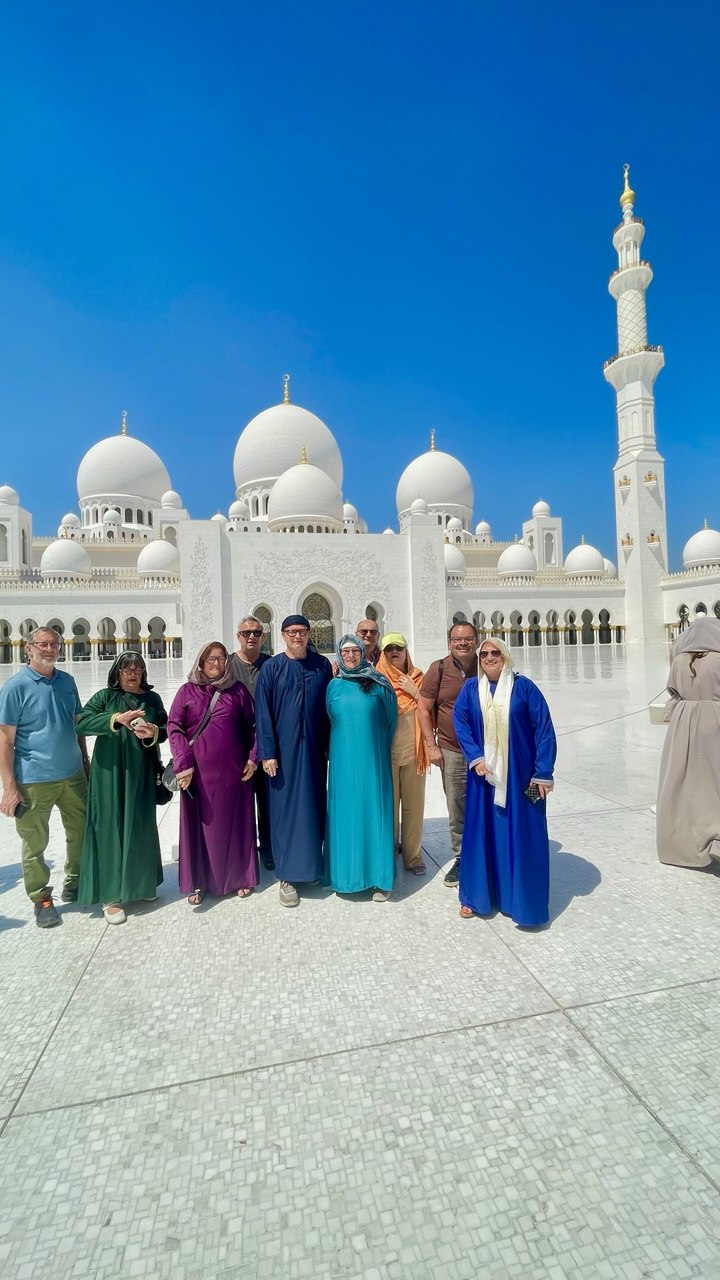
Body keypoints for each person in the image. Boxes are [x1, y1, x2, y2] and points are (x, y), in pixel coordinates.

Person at [453, 637, 556, 926]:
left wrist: (543, 773)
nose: (488, 657)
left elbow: (544, 729)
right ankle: (476, 896)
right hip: (483, 778)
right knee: (481, 833)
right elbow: (460, 723)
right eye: (483, 653)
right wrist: (475, 757)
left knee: (526, 831)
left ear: (506, 655)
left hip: (524, 778)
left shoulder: (524, 687)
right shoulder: (471, 689)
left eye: (494, 652)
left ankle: (524, 903)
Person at [0, 626, 88, 928]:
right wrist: (9, 788)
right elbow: (5, 741)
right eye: (43, 644)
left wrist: (85, 763)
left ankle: (75, 880)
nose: (49, 649)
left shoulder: (67, 682)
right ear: (29, 648)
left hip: (73, 774)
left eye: (54, 644)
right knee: (35, 842)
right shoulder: (15, 687)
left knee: (80, 830)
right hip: (34, 779)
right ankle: (41, 897)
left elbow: (77, 725)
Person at [76, 653, 166, 924]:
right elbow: (81, 722)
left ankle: (140, 885)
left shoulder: (152, 699)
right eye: (126, 669)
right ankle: (111, 896)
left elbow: (167, 726)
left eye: (138, 669)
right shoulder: (105, 697)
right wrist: (115, 719)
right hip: (109, 774)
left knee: (139, 824)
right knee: (110, 828)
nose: (132, 673)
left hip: (140, 771)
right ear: (117, 672)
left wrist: (153, 732)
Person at [168, 641, 258, 905]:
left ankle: (239, 877)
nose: (216, 664)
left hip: (234, 773)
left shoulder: (237, 690)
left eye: (221, 659)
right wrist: (183, 763)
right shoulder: (187, 691)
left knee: (235, 825)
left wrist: (253, 758)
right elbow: (174, 727)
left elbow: (253, 726)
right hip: (198, 775)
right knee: (201, 826)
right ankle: (199, 880)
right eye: (211, 659)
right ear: (201, 662)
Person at [255, 614, 333, 907]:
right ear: (283, 635)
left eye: (301, 632)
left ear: (309, 634)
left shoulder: (321, 665)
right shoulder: (272, 668)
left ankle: (312, 870)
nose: (296, 637)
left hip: (314, 752)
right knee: (285, 811)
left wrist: (329, 748)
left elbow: (328, 709)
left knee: (313, 806)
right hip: (283, 755)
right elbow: (263, 713)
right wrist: (268, 753)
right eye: (291, 632)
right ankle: (287, 876)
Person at [326, 635, 398, 901]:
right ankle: (346, 877)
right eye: (345, 652)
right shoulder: (333, 686)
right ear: (339, 655)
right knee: (346, 813)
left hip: (373, 758)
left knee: (374, 812)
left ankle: (380, 878)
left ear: (363, 653)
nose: (351, 656)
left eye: (355, 651)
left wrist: (375, 745)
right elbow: (331, 718)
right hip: (343, 761)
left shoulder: (379, 683)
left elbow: (391, 721)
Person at [417, 622, 478, 887]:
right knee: (457, 804)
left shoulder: (487, 661)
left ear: (476, 640)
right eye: (457, 639)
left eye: (467, 639)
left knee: (490, 801)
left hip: (488, 751)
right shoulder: (439, 668)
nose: (462, 643)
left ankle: (487, 853)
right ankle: (462, 856)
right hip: (452, 750)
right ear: (449, 642)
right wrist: (431, 746)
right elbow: (423, 709)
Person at [656, 617, 720, 867]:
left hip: (683, 724)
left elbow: (673, 691)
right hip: (714, 722)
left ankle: (681, 845)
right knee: (714, 782)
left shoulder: (681, 661)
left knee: (681, 784)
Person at [376, 633, 429, 875]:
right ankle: (389, 852)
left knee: (413, 807)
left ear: (407, 651)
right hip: (386, 755)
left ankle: (413, 855)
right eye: (389, 649)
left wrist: (415, 692)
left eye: (399, 648)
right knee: (389, 807)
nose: (394, 653)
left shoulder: (418, 678)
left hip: (414, 754)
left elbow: (431, 709)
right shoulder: (376, 679)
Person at [229, 615, 274, 870]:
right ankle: (243, 852)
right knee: (239, 802)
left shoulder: (270, 664)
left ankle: (267, 847)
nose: (251, 637)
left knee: (267, 800)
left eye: (256, 633)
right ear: (238, 636)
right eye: (246, 633)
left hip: (265, 745)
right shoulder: (228, 665)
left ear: (263, 636)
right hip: (236, 747)